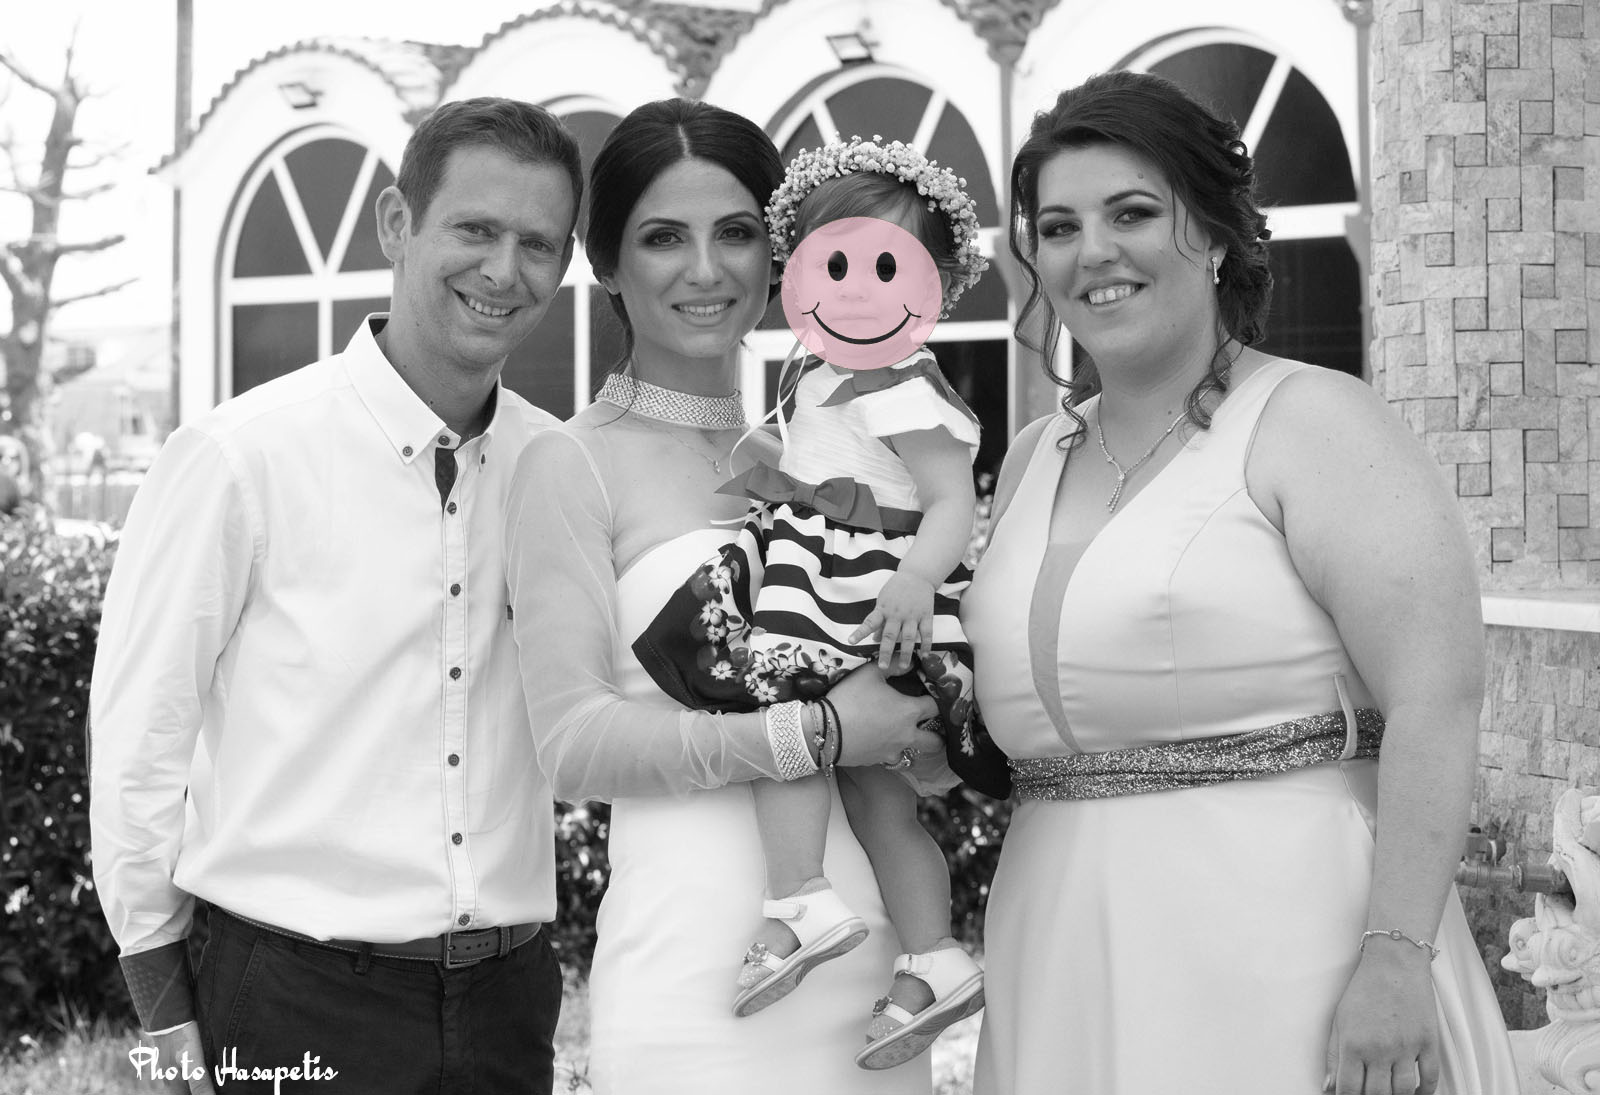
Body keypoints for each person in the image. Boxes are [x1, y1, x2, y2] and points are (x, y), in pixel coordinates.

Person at [964, 71, 1519, 1095]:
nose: (1093, 251)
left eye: (1133, 213)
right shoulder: (1037, 451)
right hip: (1059, 944)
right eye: (1058, 227)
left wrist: (1397, 954)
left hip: (1287, 941)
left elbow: (1437, 695)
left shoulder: (1316, 422)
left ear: (1215, 235)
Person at [89, 97, 582, 1095]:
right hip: (290, 995)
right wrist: (162, 1010)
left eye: (538, 243)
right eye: (475, 229)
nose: (504, 270)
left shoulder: (558, 465)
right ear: (397, 224)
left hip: (510, 1003)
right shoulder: (238, 457)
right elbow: (141, 733)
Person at [503, 99, 945, 1095]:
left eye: (736, 233)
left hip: (876, 978)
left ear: (781, 255)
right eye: (664, 238)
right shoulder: (571, 462)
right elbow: (572, 745)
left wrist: (926, 730)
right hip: (696, 979)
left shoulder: (831, 452)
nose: (705, 270)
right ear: (607, 264)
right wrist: (816, 734)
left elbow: (896, 709)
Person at [630, 137, 1006, 1070]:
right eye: (832, 267)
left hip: (864, 591)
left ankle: (800, 895)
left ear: (933, 282)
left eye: (885, 268)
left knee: (785, 725)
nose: (856, 291)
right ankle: (933, 955)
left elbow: (949, 499)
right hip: (829, 572)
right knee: (876, 797)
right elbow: (827, 464)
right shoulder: (820, 372)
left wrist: (916, 581)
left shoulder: (905, 384)